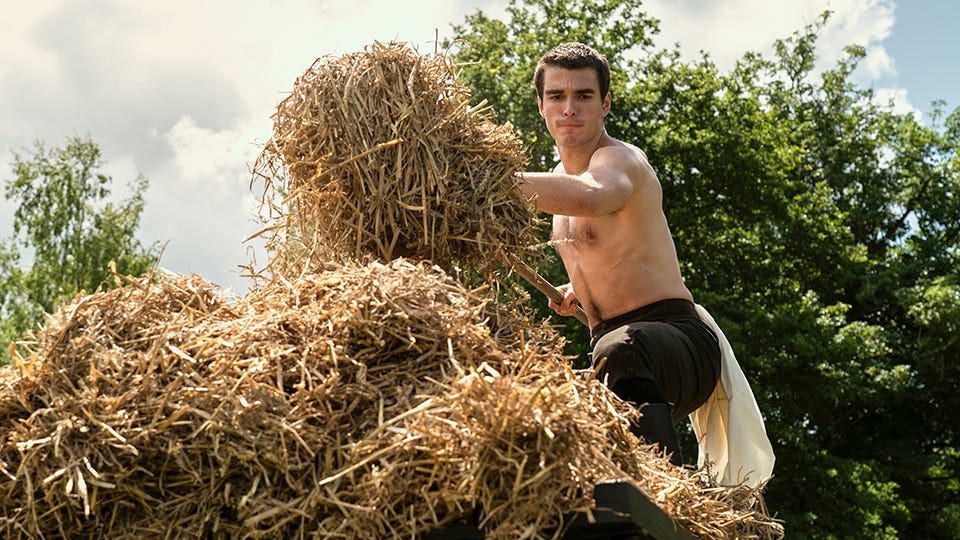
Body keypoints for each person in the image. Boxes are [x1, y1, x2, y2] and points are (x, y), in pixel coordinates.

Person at [518, 42, 774, 486]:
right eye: (557, 96)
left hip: (676, 338)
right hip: (617, 352)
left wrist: (488, 178)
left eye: (584, 95)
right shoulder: (557, 189)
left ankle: (664, 498)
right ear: (541, 106)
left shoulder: (619, 160)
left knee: (619, 349)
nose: (569, 108)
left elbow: (596, 197)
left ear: (606, 103)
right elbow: (612, 248)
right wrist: (578, 286)